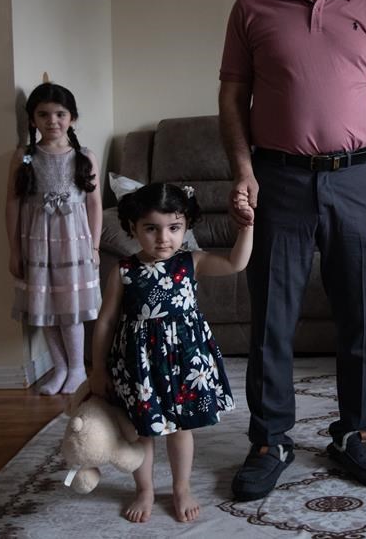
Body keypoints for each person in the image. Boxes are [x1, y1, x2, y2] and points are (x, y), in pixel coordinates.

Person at [218, 0, 366, 501]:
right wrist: (243, 171)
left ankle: (355, 433)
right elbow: (231, 99)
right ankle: (271, 439)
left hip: (358, 178)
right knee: (273, 319)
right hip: (278, 179)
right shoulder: (251, 9)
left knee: (361, 314)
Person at [89, 183, 252, 523]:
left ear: (186, 228)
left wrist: (247, 227)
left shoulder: (192, 261)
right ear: (133, 228)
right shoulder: (123, 271)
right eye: (151, 228)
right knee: (143, 430)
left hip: (184, 362)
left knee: (180, 428)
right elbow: (105, 322)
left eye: (174, 228)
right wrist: (98, 369)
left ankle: (181, 487)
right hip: (140, 364)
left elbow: (236, 263)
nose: (164, 238)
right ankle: (144, 488)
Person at [6, 82, 102, 396]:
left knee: (69, 305)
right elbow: (13, 202)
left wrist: (95, 246)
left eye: (60, 114)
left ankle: (76, 368)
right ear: (32, 120)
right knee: (43, 305)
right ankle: (59, 367)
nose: (52, 121)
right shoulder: (25, 157)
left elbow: (94, 204)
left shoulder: (84, 156)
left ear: (72, 118)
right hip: (36, 241)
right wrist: (14, 250)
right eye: (43, 114)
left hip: (73, 241)